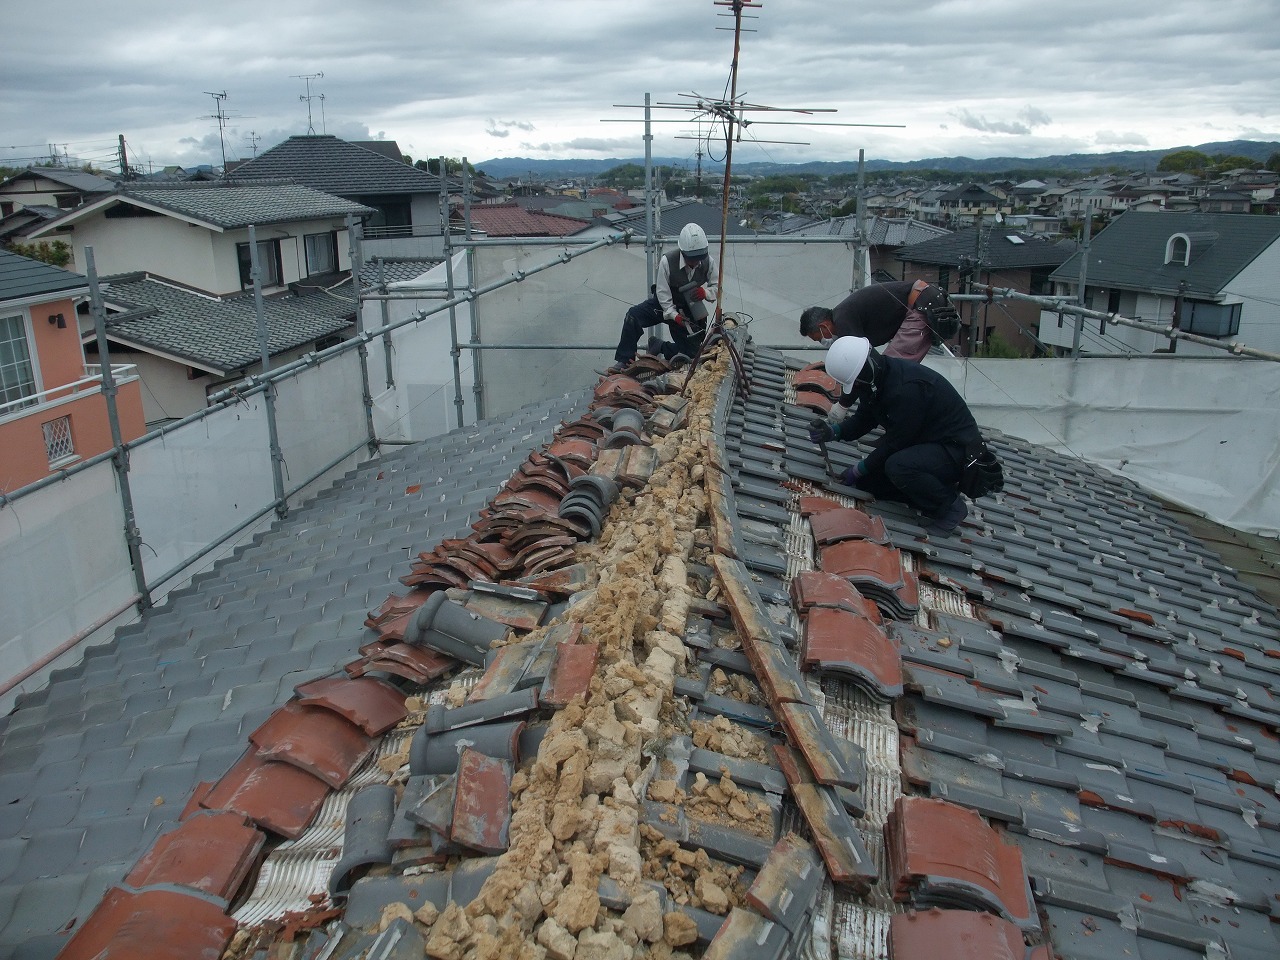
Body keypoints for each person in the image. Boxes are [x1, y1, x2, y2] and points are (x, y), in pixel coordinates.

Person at [808, 335, 981, 535]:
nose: (855, 387)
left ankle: (951, 506)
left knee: (898, 466)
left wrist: (859, 468)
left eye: (856, 382)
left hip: (956, 452)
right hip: (925, 446)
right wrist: (833, 432)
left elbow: (896, 442)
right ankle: (927, 496)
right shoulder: (873, 383)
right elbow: (864, 419)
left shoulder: (907, 389)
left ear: (866, 368)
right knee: (869, 483)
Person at [611, 223, 719, 370]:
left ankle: (660, 346)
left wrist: (705, 293)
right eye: (692, 258)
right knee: (633, 316)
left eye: (699, 257)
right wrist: (674, 316)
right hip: (664, 304)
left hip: (689, 308)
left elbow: (717, 286)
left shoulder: (708, 262)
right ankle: (624, 360)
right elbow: (662, 293)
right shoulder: (667, 261)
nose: (695, 262)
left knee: (691, 354)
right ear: (683, 252)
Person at [799, 280, 959, 363]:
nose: (823, 341)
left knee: (892, 367)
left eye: (819, 337)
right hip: (924, 301)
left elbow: (861, 360)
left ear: (823, 325)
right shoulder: (844, 314)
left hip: (922, 303)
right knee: (895, 369)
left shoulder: (843, 320)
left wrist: (843, 403)